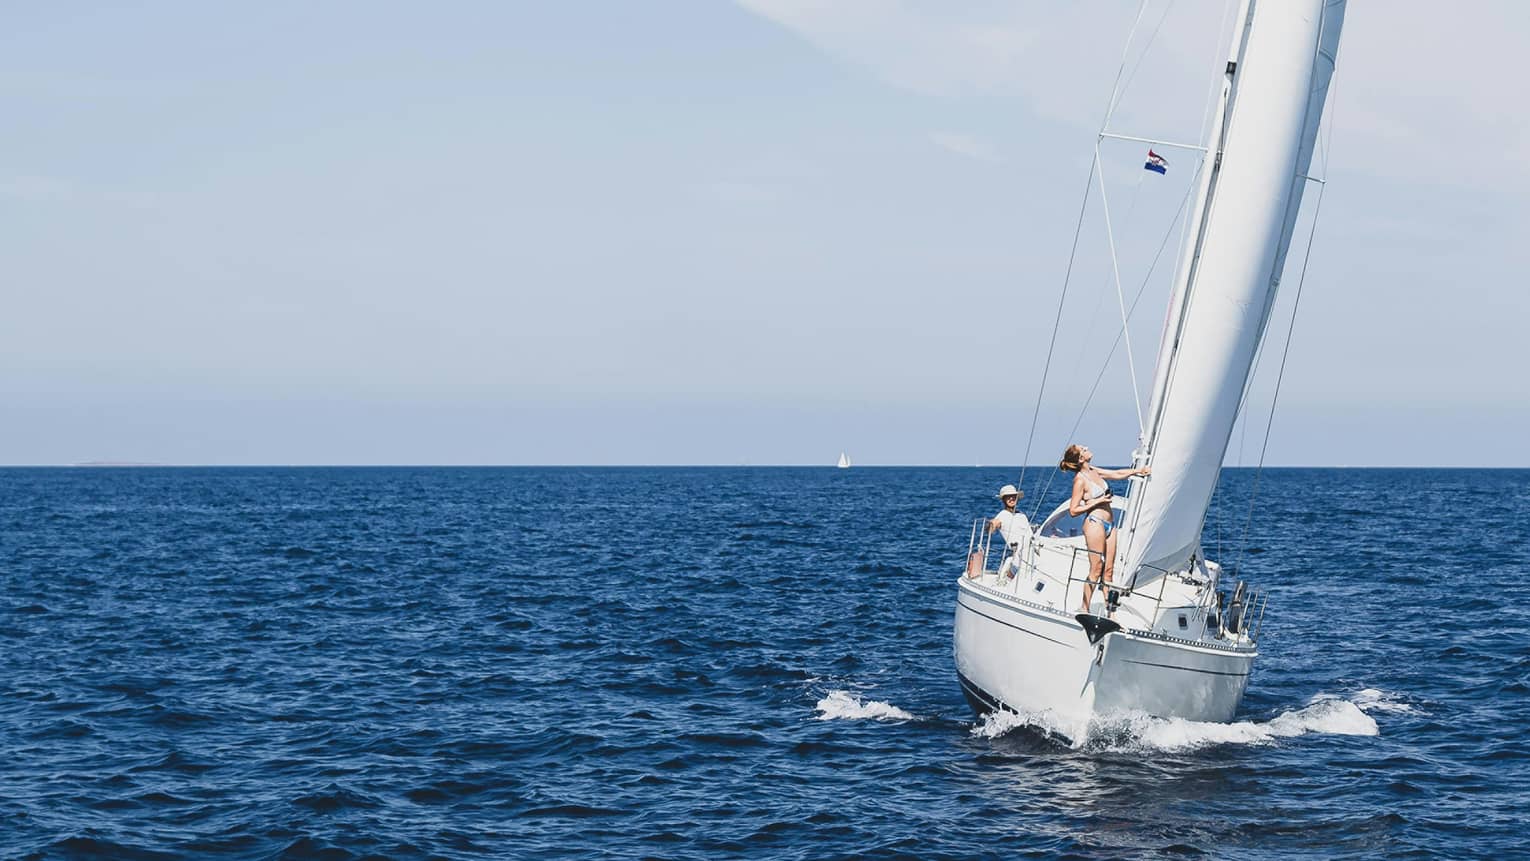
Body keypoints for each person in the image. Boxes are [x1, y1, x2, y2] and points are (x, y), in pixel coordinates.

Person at [1059, 444, 1150, 613]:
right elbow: (1073, 510)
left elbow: (1115, 474)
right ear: (1080, 458)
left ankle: (1110, 612)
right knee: (1096, 569)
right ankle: (1084, 608)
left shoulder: (1093, 470)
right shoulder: (1080, 479)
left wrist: (1137, 471)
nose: (1087, 447)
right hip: (1095, 523)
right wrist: (1097, 502)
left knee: (1108, 570)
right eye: (1083, 448)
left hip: (1110, 525)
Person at [985, 484, 1031, 579]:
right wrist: (991, 525)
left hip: (1032, 548)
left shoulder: (1022, 515)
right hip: (1019, 553)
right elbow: (991, 528)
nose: (1011, 499)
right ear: (1003, 500)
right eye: (1008, 497)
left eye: (1013, 496)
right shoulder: (1002, 515)